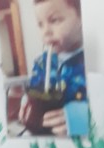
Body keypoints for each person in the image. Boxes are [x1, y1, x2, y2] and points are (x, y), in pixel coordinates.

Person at [23, 0, 88, 137]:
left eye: (54, 20)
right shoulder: (42, 63)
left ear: (82, 17)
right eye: (40, 24)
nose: (46, 32)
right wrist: (27, 102)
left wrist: (82, 119)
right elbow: (34, 89)